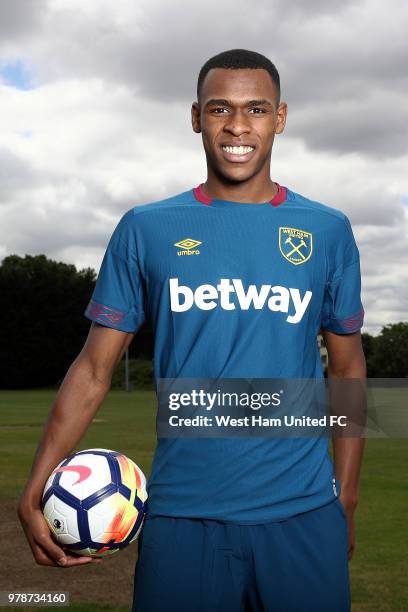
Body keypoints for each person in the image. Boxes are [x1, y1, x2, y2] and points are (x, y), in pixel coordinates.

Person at [18, 49, 366, 611]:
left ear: (279, 118)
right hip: (182, 517)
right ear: (195, 117)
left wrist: (344, 497)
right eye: (218, 108)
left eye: (256, 109)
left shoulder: (326, 230)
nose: (237, 126)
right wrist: (35, 484)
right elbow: (93, 368)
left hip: (303, 515)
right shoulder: (146, 229)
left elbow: (347, 368)